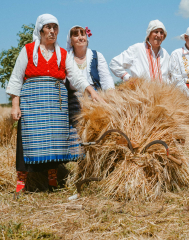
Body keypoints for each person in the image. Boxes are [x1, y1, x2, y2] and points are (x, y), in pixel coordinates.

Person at [6, 14, 102, 194]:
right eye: (48, 28)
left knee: (55, 141)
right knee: (28, 141)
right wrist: (15, 105)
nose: (52, 31)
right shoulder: (27, 50)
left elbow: (75, 76)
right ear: (40, 30)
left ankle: (52, 182)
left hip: (55, 105)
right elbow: (16, 79)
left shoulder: (62, 54)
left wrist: (92, 91)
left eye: (55, 28)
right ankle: (21, 184)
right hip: (31, 103)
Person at [65, 25, 115, 154]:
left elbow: (106, 78)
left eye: (83, 34)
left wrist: (111, 95)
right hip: (74, 99)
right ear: (71, 41)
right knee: (76, 133)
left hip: (95, 96)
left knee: (97, 131)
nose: (80, 37)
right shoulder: (66, 58)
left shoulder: (96, 56)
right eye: (76, 35)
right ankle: (77, 160)